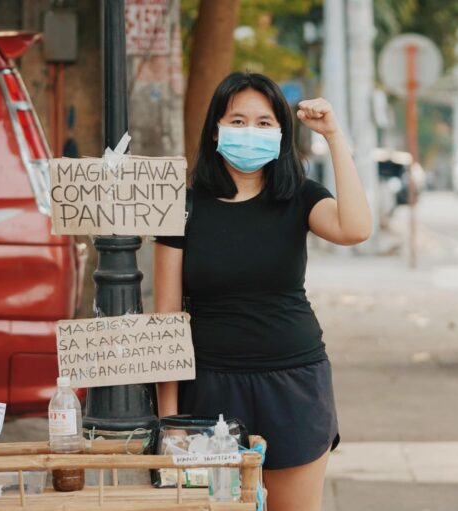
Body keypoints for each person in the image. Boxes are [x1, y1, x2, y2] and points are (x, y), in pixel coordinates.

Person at [154, 72, 371, 511]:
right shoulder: (180, 205)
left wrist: (333, 135)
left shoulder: (300, 198)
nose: (249, 131)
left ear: (280, 134)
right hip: (208, 391)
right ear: (215, 129)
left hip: (294, 384)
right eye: (237, 120)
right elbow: (167, 318)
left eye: (264, 122)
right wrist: (170, 421)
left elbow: (356, 228)